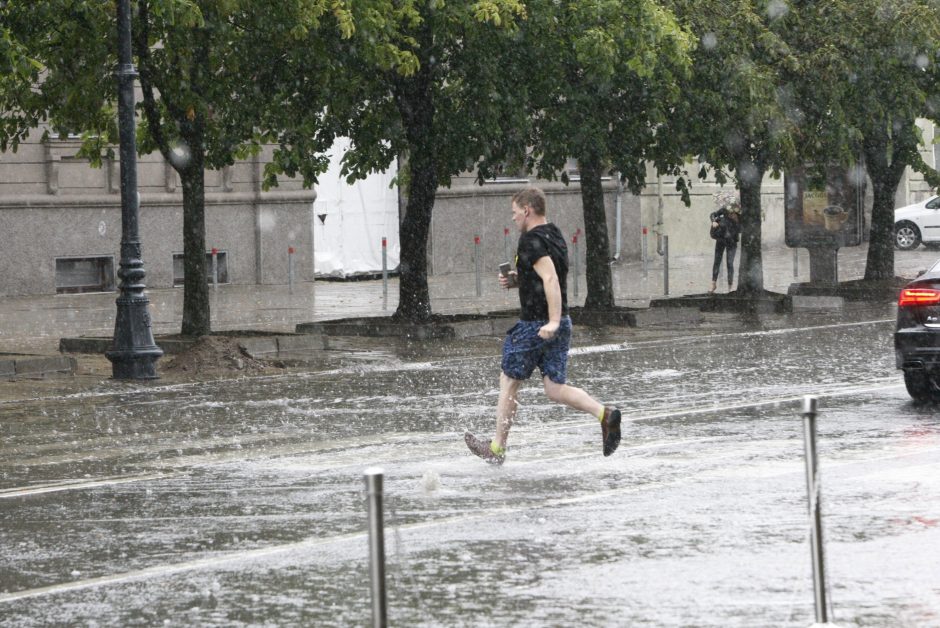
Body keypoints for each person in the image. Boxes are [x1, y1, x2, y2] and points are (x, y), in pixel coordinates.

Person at [464, 187, 622, 465]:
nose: (513, 219)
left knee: (509, 381)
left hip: (536, 325)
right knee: (554, 388)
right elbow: (545, 275)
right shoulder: (554, 234)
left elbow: (550, 279)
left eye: (515, 213)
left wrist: (551, 321)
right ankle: (605, 415)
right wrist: (517, 279)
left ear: (527, 210)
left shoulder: (529, 241)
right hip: (561, 322)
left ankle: (496, 449)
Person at [708, 194, 742, 293]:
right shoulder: (724, 210)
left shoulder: (739, 214)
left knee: (730, 263)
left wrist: (736, 220)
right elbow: (712, 214)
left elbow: (741, 229)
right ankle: (713, 284)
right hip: (721, 239)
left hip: (732, 241)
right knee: (717, 261)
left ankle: (730, 286)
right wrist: (713, 221)